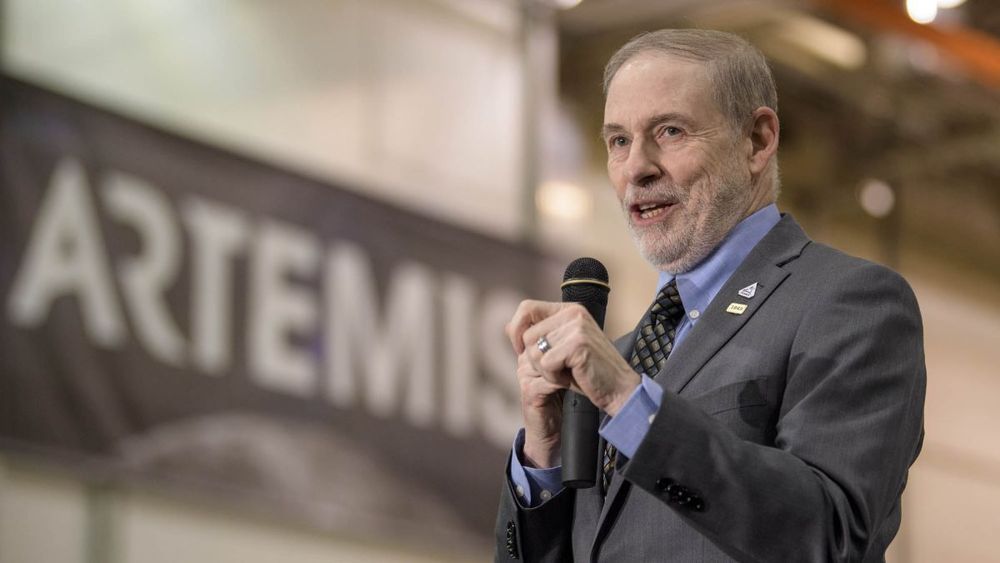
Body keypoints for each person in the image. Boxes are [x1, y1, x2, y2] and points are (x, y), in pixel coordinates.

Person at [494, 29, 926, 562]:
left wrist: (630, 401)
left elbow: (830, 536)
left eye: (670, 131)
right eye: (618, 141)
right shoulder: (620, 362)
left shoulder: (851, 304)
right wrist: (545, 456)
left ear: (757, 141)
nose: (637, 168)